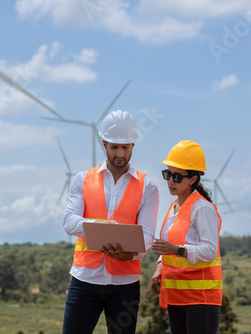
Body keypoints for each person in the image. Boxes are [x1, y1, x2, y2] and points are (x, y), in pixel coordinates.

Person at [62, 110, 159, 334]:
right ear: (104, 143)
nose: (120, 153)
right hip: (84, 280)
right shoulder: (82, 180)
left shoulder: (148, 187)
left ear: (133, 145)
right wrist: (103, 227)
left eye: (125, 147)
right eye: (114, 147)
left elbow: (147, 237)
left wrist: (132, 255)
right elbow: (69, 222)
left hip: (125, 285)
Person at [150, 140, 223, 334]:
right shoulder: (174, 206)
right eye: (167, 175)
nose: (170, 181)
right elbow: (169, 244)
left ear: (193, 179)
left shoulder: (202, 208)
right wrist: (160, 266)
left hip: (201, 299)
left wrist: (178, 250)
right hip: (177, 297)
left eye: (177, 177)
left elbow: (210, 250)